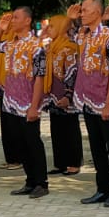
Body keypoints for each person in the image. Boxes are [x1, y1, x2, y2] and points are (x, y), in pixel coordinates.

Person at [65, 0, 109, 206]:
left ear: (97, 13)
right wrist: (71, 19)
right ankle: (102, 187)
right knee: (96, 146)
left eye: (85, 10)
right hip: (87, 99)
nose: (81, 14)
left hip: (104, 99)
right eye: (81, 10)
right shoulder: (82, 35)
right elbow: (67, 34)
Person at [0, 6, 50, 198]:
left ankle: (41, 182)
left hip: (28, 102)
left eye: (15, 18)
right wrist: (0, 28)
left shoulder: (36, 46)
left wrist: (34, 105)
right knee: (20, 143)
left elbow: (40, 77)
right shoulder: (11, 43)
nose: (12, 21)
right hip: (11, 102)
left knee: (33, 142)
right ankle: (30, 180)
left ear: (27, 21)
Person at [43, 15, 82, 176]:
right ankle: (60, 163)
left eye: (52, 26)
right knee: (56, 129)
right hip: (53, 93)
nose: (48, 29)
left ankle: (73, 163)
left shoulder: (70, 47)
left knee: (70, 128)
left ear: (61, 27)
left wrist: (68, 95)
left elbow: (73, 72)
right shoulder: (52, 47)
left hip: (66, 94)